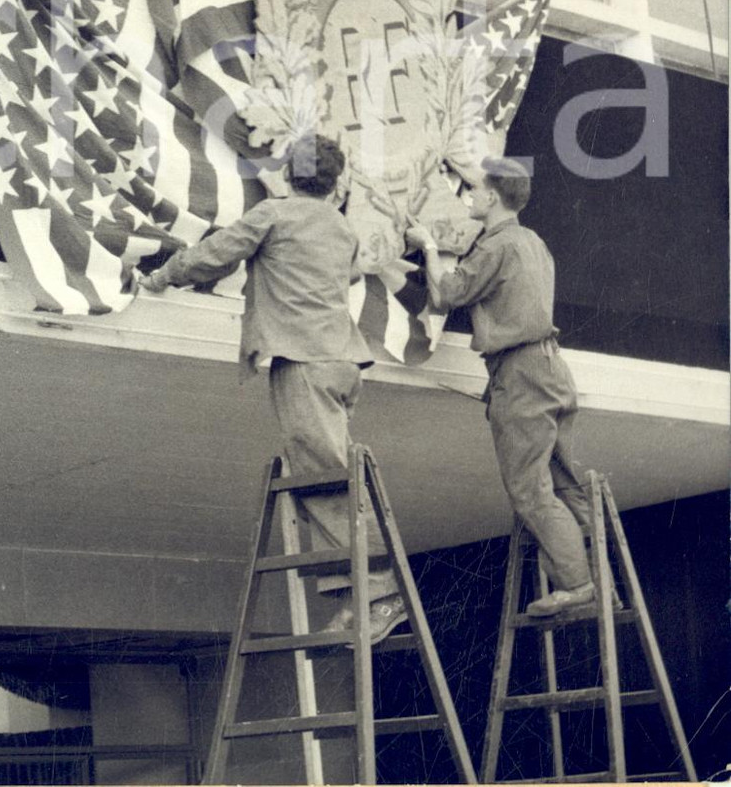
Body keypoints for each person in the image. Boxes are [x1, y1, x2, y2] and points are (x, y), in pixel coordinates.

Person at [140, 134, 407, 643]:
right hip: (343, 362)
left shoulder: (275, 214)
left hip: (303, 359)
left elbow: (217, 253)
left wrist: (163, 276)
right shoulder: (341, 227)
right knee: (325, 478)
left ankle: (379, 591)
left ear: (288, 174)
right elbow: (344, 271)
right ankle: (359, 596)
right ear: (335, 182)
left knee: (324, 483)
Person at [406, 157, 595, 617]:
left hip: (521, 376)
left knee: (530, 491)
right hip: (551, 370)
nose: (468, 195)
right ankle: (597, 580)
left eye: (474, 190)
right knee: (564, 484)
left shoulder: (496, 248)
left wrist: (428, 247)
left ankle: (579, 585)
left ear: (492, 197)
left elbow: (444, 296)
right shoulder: (533, 243)